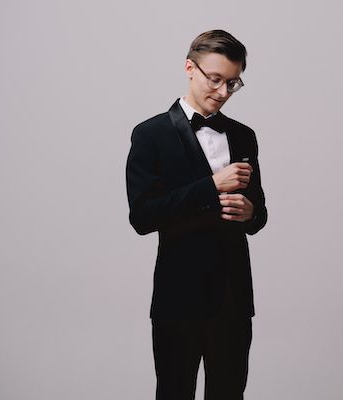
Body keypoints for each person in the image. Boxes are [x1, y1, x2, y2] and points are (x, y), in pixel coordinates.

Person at [125, 29, 267, 400]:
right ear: (190, 68)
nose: (223, 92)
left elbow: (259, 213)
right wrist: (212, 186)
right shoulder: (150, 134)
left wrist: (251, 211)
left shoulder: (244, 136)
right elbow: (143, 216)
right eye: (215, 79)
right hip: (179, 297)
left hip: (233, 298)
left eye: (232, 83)